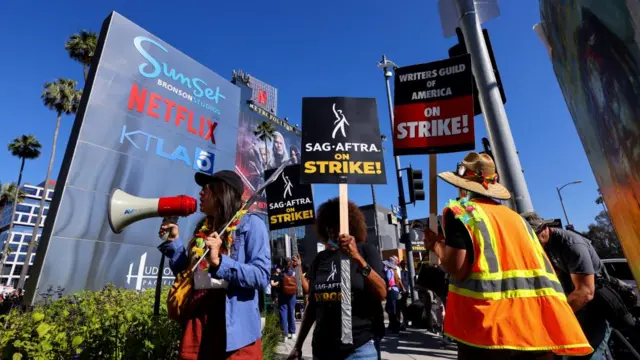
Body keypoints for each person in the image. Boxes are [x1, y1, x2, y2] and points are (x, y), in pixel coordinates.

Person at [422, 152, 592, 359]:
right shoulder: (517, 219)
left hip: (488, 328)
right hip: (534, 326)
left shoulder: (463, 213)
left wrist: (437, 246)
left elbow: (456, 269)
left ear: (462, 184)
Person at [158, 170, 271, 360]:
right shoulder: (204, 229)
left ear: (221, 193)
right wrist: (174, 242)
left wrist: (220, 262)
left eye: (206, 189)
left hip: (234, 332)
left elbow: (261, 276)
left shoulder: (251, 225)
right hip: (198, 325)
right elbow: (190, 274)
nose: (200, 193)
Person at [288, 198, 387, 360]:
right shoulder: (320, 259)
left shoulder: (366, 251)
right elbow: (312, 306)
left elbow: (382, 292)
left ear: (350, 225)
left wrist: (357, 258)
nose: (333, 230)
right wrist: (298, 345)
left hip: (359, 348)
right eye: (328, 226)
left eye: (337, 225)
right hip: (322, 349)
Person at [522, 213, 612, 360]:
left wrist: (553, 319)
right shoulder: (544, 246)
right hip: (575, 307)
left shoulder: (571, 244)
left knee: (589, 354)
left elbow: (586, 292)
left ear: (544, 228)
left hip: (595, 306)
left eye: (533, 236)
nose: (530, 241)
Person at [279, 257, 298, 340]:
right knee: (291, 312)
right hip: (292, 294)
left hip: (283, 294)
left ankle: (285, 334)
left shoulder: (281, 273)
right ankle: (292, 332)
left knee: (283, 312)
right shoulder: (293, 272)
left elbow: (279, 284)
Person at [383, 257, 402, 333]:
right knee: (392, 308)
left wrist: (390, 286)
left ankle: (394, 327)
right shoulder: (393, 271)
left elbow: (390, 280)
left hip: (392, 290)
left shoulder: (389, 271)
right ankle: (393, 325)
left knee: (392, 308)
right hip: (395, 290)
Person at [398, 260, 410, 329]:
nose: (403, 265)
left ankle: (405, 320)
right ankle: (404, 321)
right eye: (402, 264)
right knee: (401, 307)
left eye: (404, 264)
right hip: (401, 291)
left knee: (404, 306)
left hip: (406, 291)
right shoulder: (400, 272)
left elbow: (408, 282)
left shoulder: (407, 272)